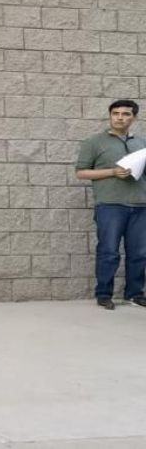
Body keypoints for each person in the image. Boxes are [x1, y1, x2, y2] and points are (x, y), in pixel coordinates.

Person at [75, 100, 146, 310]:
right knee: (108, 251)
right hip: (110, 205)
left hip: (141, 205)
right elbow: (81, 172)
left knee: (140, 253)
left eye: (126, 114)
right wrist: (112, 172)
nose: (120, 117)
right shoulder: (94, 142)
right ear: (110, 116)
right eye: (116, 113)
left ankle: (134, 294)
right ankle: (104, 294)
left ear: (134, 117)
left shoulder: (142, 143)